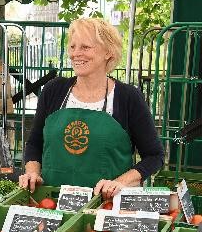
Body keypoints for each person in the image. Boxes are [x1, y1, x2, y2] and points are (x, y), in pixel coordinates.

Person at [19, 18, 164, 199]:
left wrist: (120, 182)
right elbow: (34, 143)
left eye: (85, 47)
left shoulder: (127, 97)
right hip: (51, 202)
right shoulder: (53, 90)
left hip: (105, 207)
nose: (76, 54)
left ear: (108, 53)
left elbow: (154, 156)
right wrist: (32, 172)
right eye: (72, 47)